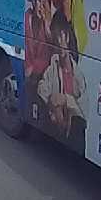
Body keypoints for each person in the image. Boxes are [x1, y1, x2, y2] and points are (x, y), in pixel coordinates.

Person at [37, 10, 86, 148]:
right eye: (55, 37)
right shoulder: (53, 67)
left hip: (74, 133)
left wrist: (66, 99)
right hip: (59, 131)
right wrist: (52, 101)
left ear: (67, 37)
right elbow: (41, 87)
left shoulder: (79, 74)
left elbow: (85, 112)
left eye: (61, 36)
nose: (59, 43)